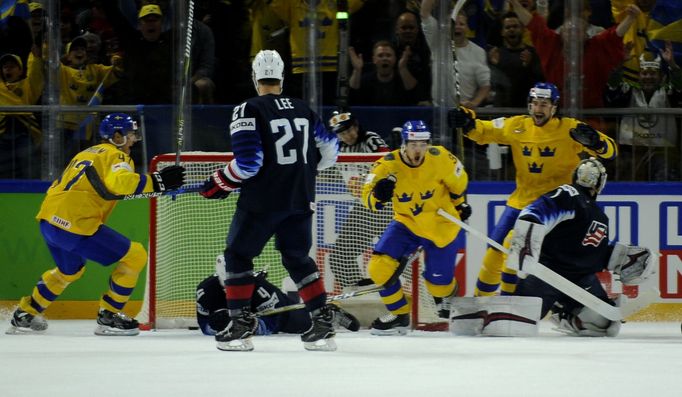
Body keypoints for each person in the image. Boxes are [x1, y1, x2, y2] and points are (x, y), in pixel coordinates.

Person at [200, 49, 339, 352]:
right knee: (296, 257)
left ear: (254, 77)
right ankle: (323, 325)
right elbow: (331, 150)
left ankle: (239, 327)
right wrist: (299, 170)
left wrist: (218, 181)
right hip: (301, 197)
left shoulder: (247, 109)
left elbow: (249, 163)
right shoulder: (303, 109)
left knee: (237, 255)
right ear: (282, 77)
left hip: (263, 199)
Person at [7, 113, 186, 336]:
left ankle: (26, 313)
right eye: (130, 135)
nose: (133, 140)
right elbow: (120, 184)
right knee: (135, 255)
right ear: (117, 136)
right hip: (74, 223)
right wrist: (158, 181)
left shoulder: (86, 153)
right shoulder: (115, 154)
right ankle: (109, 315)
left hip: (49, 219)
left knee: (69, 270)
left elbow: (104, 188)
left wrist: (156, 184)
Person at [448, 82, 618, 297]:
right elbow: (484, 131)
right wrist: (466, 122)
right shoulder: (517, 126)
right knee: (494, 253)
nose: (539, 109)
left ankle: (509, 303)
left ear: (554, 107)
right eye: (535, 103)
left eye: (544, 104)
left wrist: (597, 142)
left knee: (515, 252)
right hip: (520, 202)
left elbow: (610, 151)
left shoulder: (569, 129)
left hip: (554, 210)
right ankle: (480, 304)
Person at [507, 158, 654, 336]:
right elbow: (533, 213)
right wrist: (526, 244)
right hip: (547, 276)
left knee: (604, 325)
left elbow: (589, 251)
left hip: (579, 283)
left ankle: (566, 314)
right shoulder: (569, 194)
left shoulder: (599, 216)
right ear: (600, 183)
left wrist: (618, 257)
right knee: (514, 323)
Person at [361, 120, 470, 335]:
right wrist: (378, 196)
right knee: (378, 268)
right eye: (413, 144)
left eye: (423, 144)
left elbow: (458, 184)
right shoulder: (387, 165)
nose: (418, 150)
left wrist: (461, 204)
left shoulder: (441, 157)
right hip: (407, 223)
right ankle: (399, 315)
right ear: (404, 144)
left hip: (441, 224)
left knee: (438, 285)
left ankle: (445, 295)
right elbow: (367, 196)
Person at [196, 255, 360, 336]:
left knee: (303, 324)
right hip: (251, 311)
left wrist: (251, 325)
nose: (237, 286)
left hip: (283, 312)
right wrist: (214, 326)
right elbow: (203, 323)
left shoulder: (259, 288)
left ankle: (330, 312)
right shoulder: (205, 291)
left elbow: (275, 321)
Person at [327, 111, 390, 287]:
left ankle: (424, 293)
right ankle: (363, 291)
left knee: (400, 257)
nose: (347, 135)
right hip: (364, 208)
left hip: (387, 206)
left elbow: (389, 163)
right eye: (342, 132)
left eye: (349, 130)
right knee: (339, 257)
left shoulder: (370, 139)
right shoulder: (337, 148)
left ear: (356, 126)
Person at [605, 45, 682, 181]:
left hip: (662, 149)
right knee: (626, 180)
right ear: (639, 76)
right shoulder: (629, 91)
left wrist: (672, 65)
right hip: (631, 149)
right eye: (644, 73)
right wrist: (620, 64)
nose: (648, 77)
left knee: (664, 179)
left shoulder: (668, 92)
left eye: (653, 74)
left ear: (661, 76)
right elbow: (613, 85)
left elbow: (679, 86)